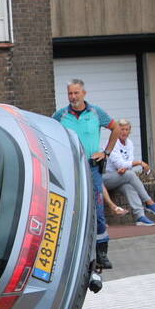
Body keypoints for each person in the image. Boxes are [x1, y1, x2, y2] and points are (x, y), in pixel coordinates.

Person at [51, 80, 120, 270]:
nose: (73, 97)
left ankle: (101, 254)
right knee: (72, 209)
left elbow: (115, 128)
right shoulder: (60, 115)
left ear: (84, 93)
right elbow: (48, 132)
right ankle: (74, 255)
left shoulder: (96, 113)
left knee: (97, 209)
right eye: (70, 93)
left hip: (92, 167)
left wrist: (106, 152)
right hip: (71, 169)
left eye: (76, 93)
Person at [103, 119, 155, 226]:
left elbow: (127, 163)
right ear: (117, 130)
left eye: (126, 129)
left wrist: (125, 167)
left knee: (128, 186)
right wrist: (139, 163)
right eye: (122, 129)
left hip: (119, 178)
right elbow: (120, 164)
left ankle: (140, 217)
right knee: (130, 175)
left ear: (129, 131)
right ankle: (149, 202)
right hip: (105, 178)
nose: (124, 132)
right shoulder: (112, 142)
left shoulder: (130, 143)